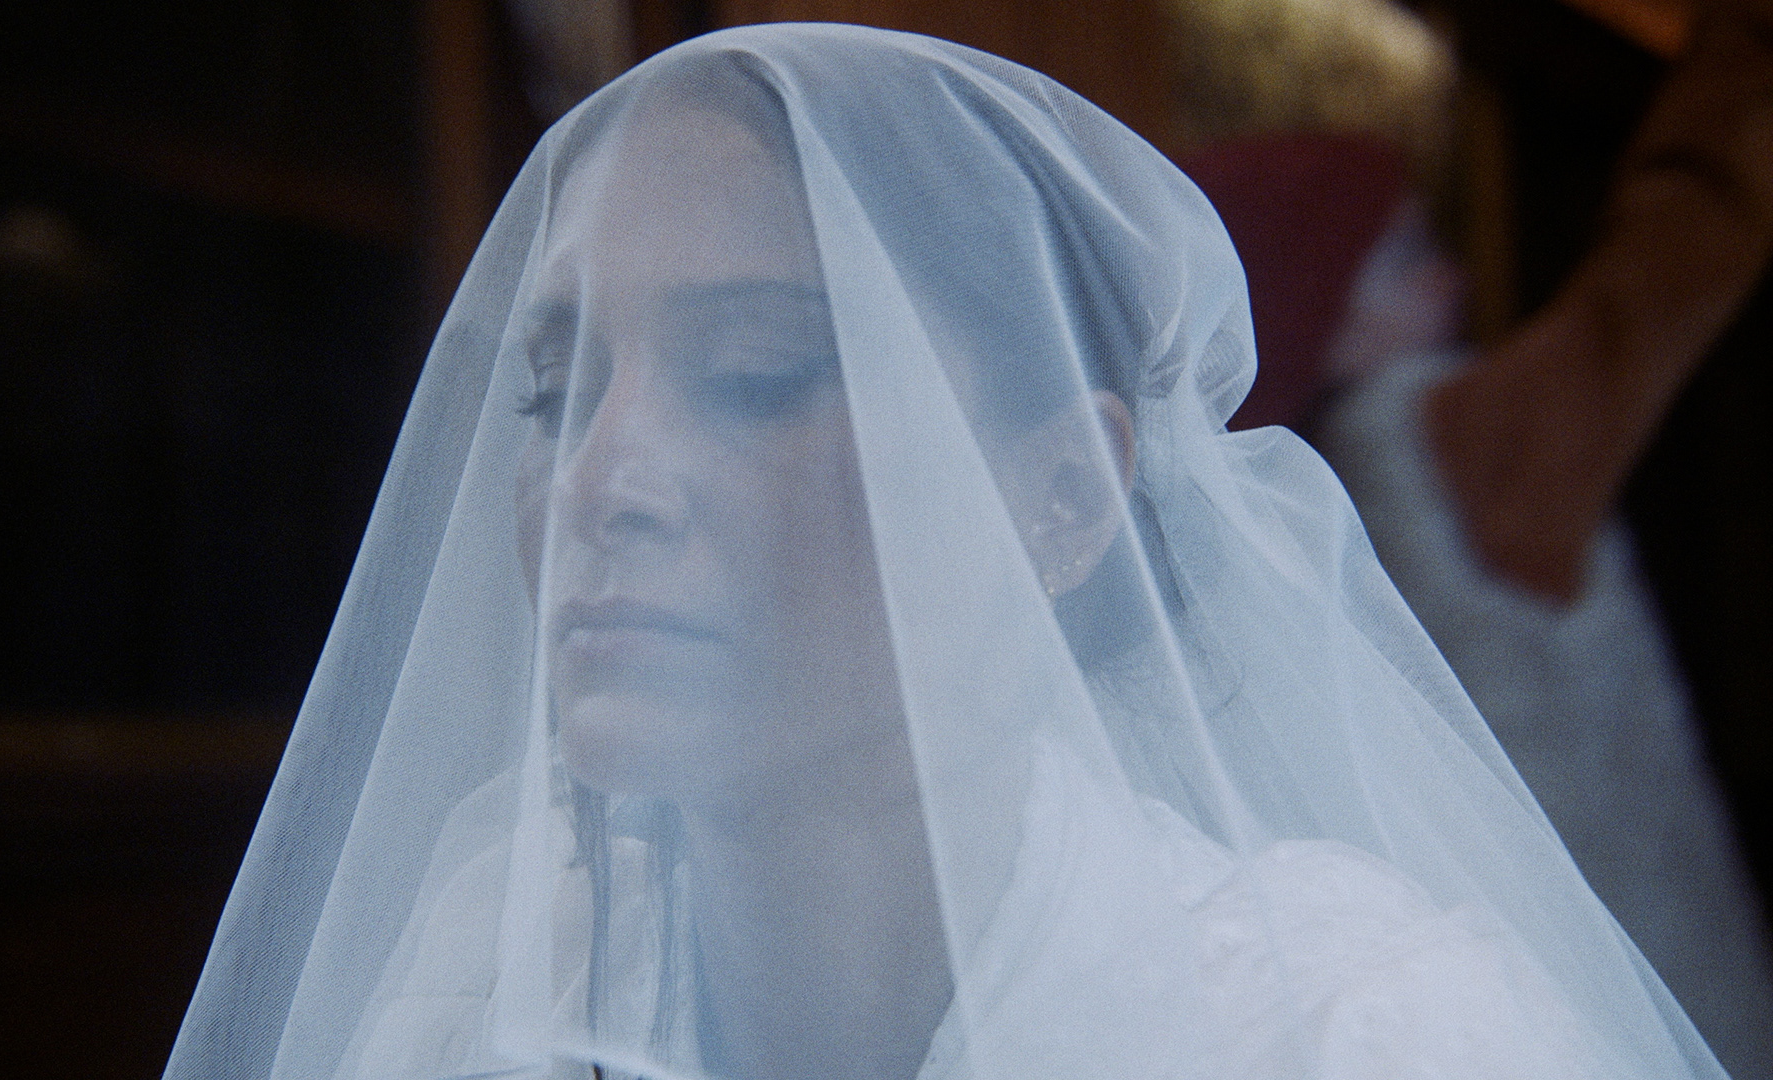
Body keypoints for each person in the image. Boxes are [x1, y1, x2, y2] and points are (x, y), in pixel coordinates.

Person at [163, 24, 1727, 1080]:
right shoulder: (496, 965)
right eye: (557, 390)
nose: (600, 478)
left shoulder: (1356, 1034)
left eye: (760, 372)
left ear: (1064, 497)